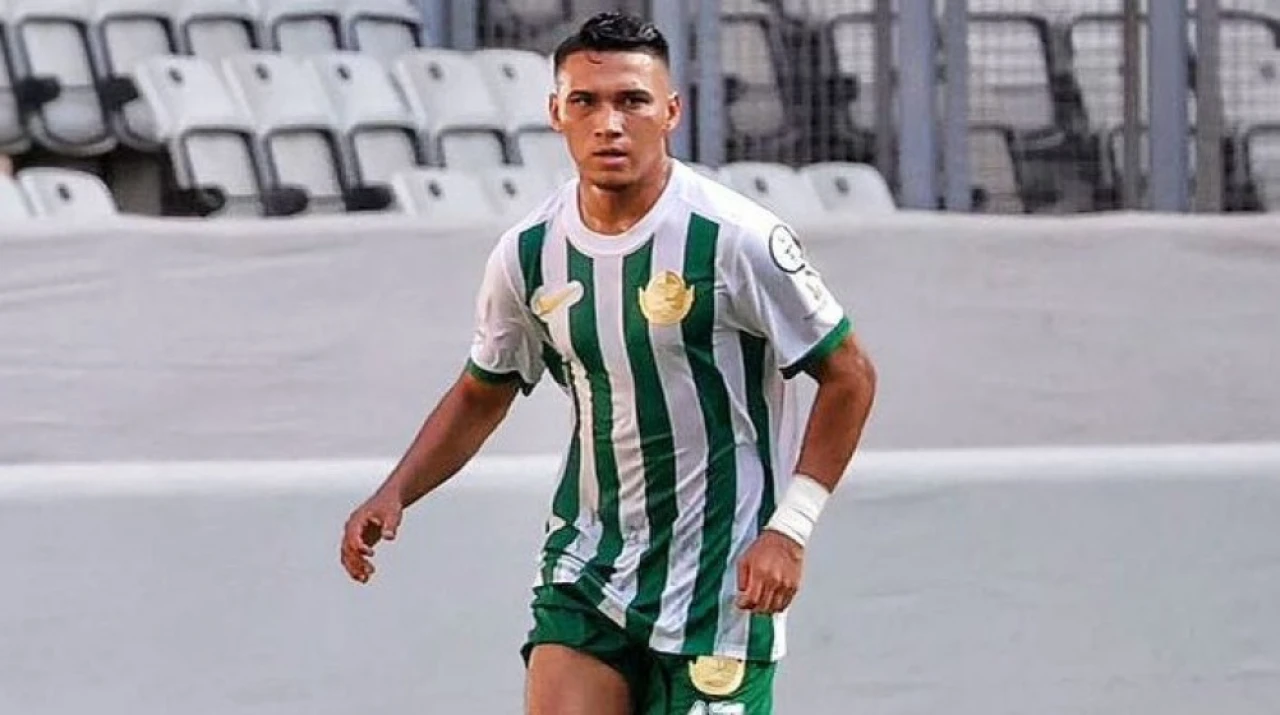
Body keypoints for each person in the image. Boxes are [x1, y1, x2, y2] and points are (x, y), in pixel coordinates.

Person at [340, 12, 877, 715]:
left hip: (722, 587)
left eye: (632, 101)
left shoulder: (736, 239)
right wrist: (395, 491)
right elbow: (482, 391)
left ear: (671, 112)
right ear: (556, 113)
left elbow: (850, 375)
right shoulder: (529, 252)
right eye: (587, 102)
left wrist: (791, 528)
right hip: (589, 567)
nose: (610, 124)